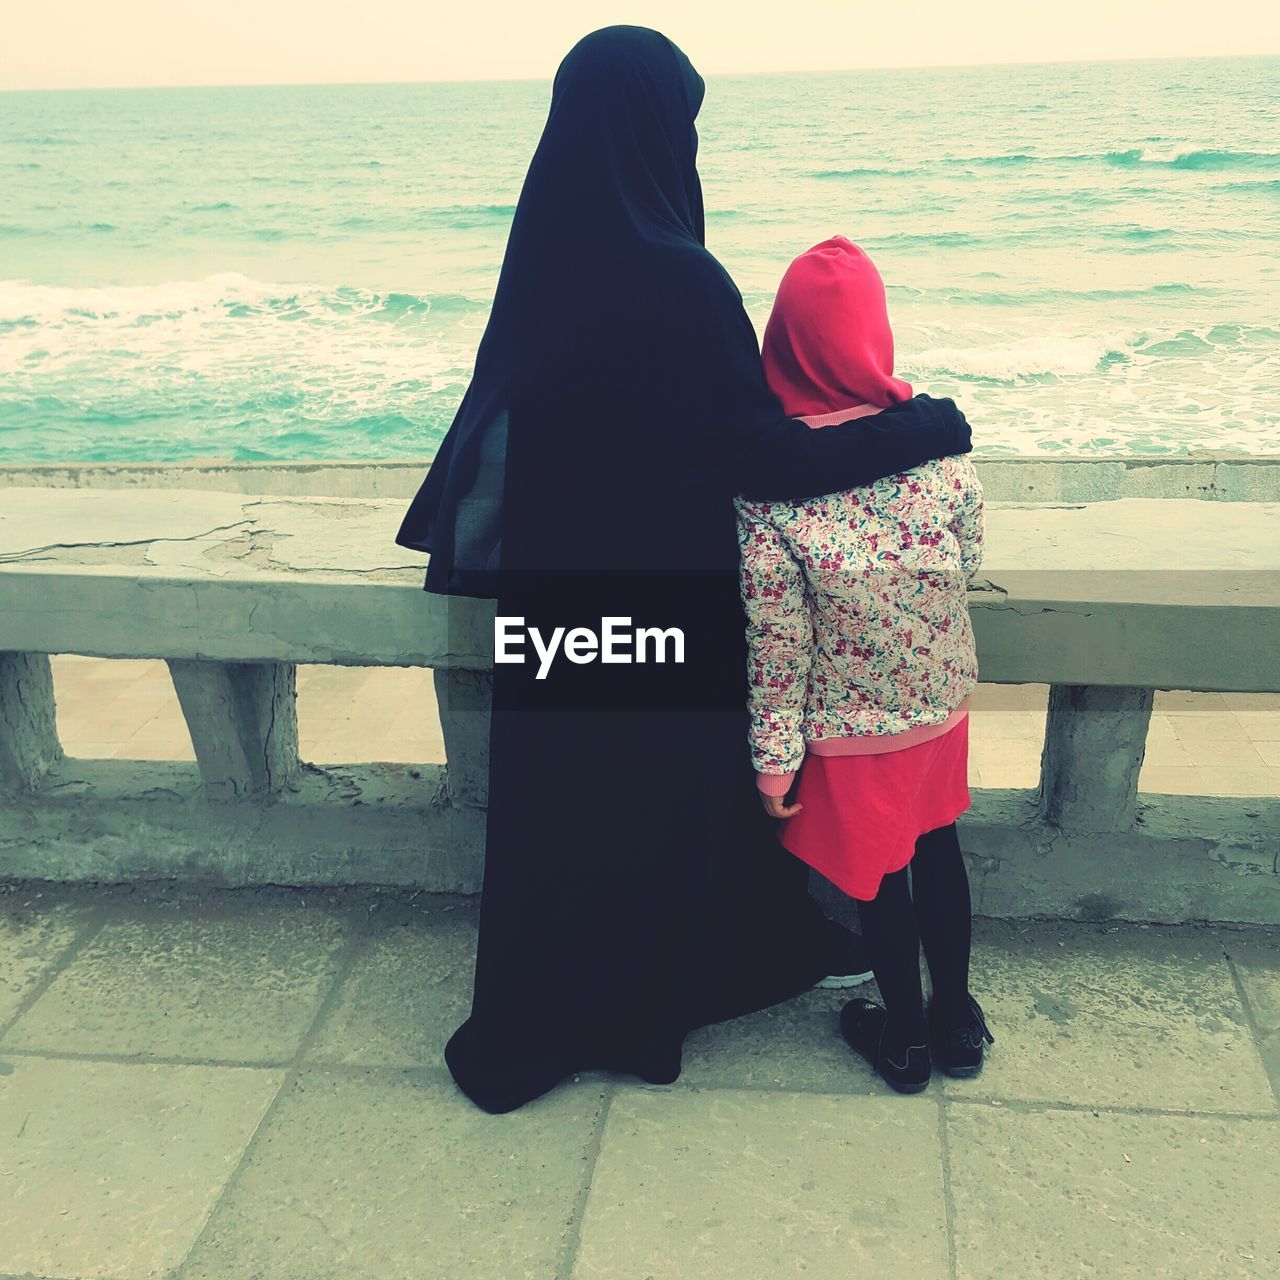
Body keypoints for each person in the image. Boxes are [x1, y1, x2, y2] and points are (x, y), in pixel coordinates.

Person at [396, 28, 973, 1113]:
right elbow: (761, 452)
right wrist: (918, 429)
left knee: (566, 811)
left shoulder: (545, 256)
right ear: (663, 130)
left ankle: (548, 1009)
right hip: (663, 596)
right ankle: (652, 997)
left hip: (557, 602)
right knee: (662, 806)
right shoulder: (680, 276)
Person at [738, 236, 993, 1094]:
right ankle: (957, 1019)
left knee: (880, 878)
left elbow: (778, 644)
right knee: (939, 849)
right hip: (938, 702)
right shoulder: (939, 452)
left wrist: (774, 767)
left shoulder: (769, 486)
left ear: (784, 341)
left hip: (849, 727)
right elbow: (968, 553)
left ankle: (906, 1040)